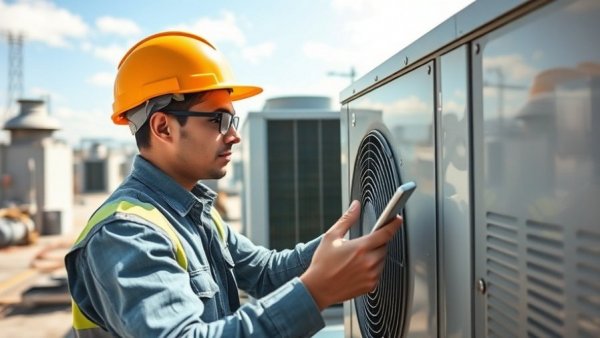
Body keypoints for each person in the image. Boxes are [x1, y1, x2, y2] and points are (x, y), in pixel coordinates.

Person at [65, 31, 402, 338]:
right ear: (163, 127)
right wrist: (316, 292)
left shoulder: (192, 212)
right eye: (219, 120)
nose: (234, 135)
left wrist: (344, 241)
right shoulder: (125, 234)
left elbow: (267, 273)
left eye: (233, 120)